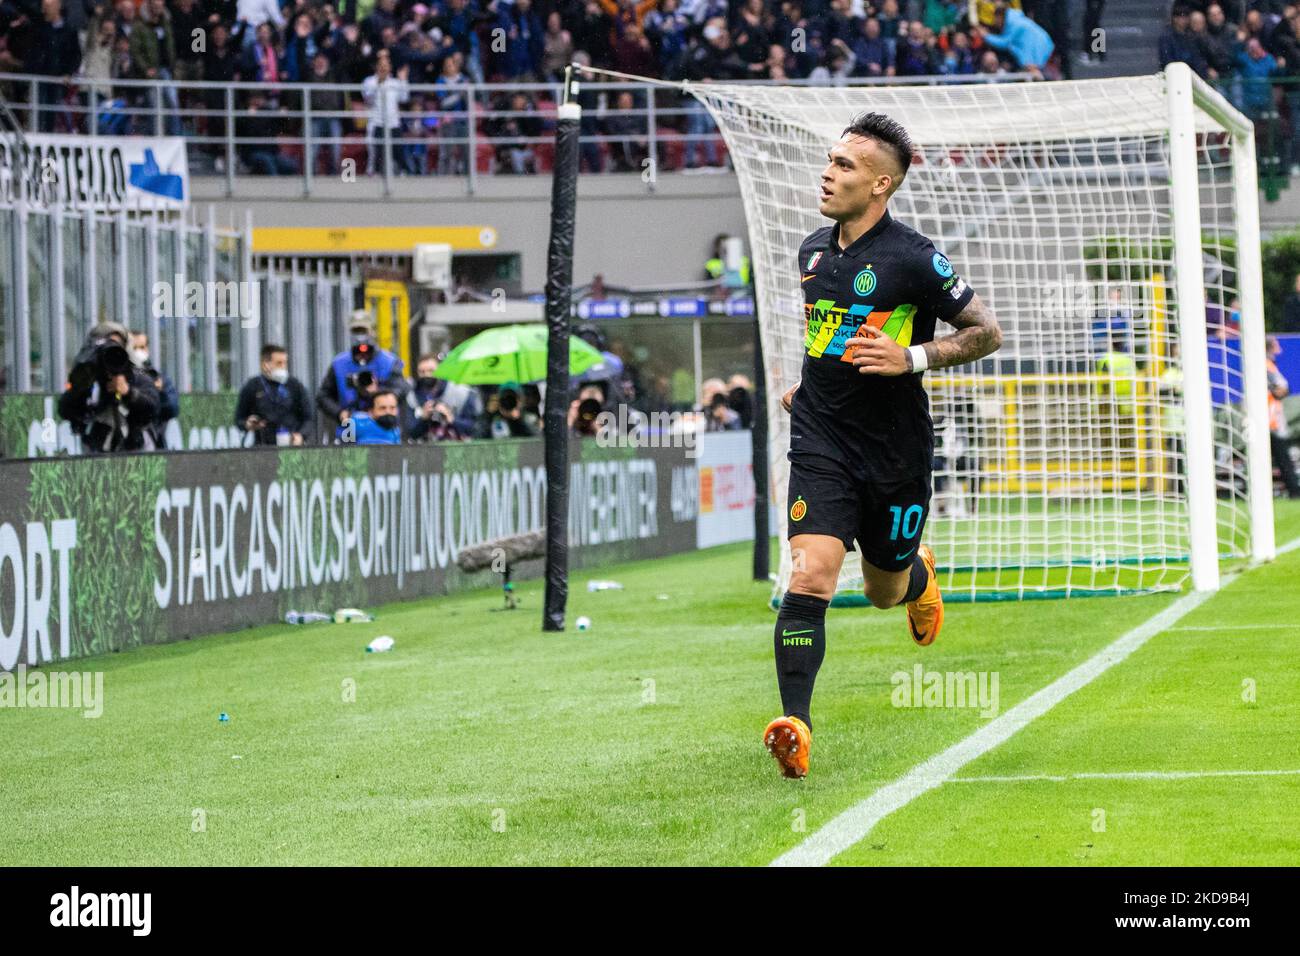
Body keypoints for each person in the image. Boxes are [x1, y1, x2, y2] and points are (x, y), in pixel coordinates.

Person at [763, 112, 1003, 780]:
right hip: (821, 438)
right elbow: (829, 336)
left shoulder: (914, 258)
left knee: (880, 590)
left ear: (881, 185)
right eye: (830, 160)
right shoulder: (812, 252)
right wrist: (806, 387)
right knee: (810, 572)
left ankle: (917, 575)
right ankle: (796, 726)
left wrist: (914, 358)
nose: (828, 172)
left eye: (844, 166)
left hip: (895, 449)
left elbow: (987, 332)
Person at [57, 321, 161, 454]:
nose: (111, 350)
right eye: (106, 345)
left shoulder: (136, 374)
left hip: (134, 449)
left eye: (116, 346)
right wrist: (82, 386)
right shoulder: (89, 374)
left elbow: (153, 408)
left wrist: (129, 392)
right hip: (96, 450)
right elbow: (65, 410)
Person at [317, 316, 407, 439]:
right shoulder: (339, 364)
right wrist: (339, 413)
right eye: (356, 331)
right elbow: (323, 396)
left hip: (383, 426)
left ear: (372, 332)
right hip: (350, 426)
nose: (360, 336)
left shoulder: (389, 362)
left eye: (363, 330)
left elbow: (401, 389)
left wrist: (378, 394)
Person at [235, 343, 314, 445]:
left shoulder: (295, 385)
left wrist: (301, 435)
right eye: (279, 363)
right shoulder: (253, 386)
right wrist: (248, 424)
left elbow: (308, 418)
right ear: (265, 365)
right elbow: (239, 419)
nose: (283, 367)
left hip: (291, 445)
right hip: (263, 446)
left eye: (285, 363)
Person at [407, 352, 481, 440]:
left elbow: (474, 428)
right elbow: (409, 432)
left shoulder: (460, 392)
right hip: (424, 449)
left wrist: (451, 418)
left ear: (440, 370)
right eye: (422, 372)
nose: (427, 375)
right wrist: (423, 418)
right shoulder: (411, 396)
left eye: (431, 371)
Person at [128, 330, 179, 448]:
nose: (138, 351)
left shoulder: (156, 377)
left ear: (147, 349)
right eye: (134, 347)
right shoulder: (122, 378)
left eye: (141, 347)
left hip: (153, 440)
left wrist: (160, 393)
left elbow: (172, 409)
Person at [1267, 335, 1300, 497]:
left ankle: (1293, 489)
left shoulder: (1270, 365)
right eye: (1276, 344)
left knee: (1280, 456)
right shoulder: (1266, 366)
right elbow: (1279, 390)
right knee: (1281, 456)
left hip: (1272, 417)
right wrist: (1280, 391)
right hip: (1269, 418)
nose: (1279, 347)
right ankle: (1293, 490)